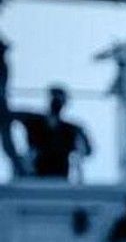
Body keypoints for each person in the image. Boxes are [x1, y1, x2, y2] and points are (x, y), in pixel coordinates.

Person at [14, 85, 92, 180]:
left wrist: (80, 142)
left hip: (59, 179)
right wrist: (17, 160)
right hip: (33, 177)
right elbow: (8, 115)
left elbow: (87, 151)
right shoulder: (33, 121)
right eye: (54, 98)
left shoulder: (71, 130)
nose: (56, 101)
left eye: (60, 99)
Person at [0, 35, 29, 177]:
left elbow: (3, 87)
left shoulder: (3, 65)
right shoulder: (3, 65)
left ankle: (20, 168)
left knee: (8, 143)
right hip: (2, 105)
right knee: (7, 143)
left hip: (1, 105)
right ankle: (20, 168)